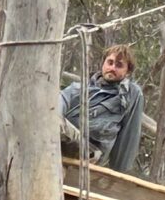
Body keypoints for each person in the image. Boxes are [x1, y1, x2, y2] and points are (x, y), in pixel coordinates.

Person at [59, 45, 147, 173]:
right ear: (103, 63)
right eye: (110, 62)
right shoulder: (77, 88)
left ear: (127, 72)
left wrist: (119, 174)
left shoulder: (131, 94)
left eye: (119, 65)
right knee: (49, 111)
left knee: (54, 120)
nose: (112, 68)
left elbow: (129, 136)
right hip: (62, 142)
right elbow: (55, 106)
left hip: (90, 152)